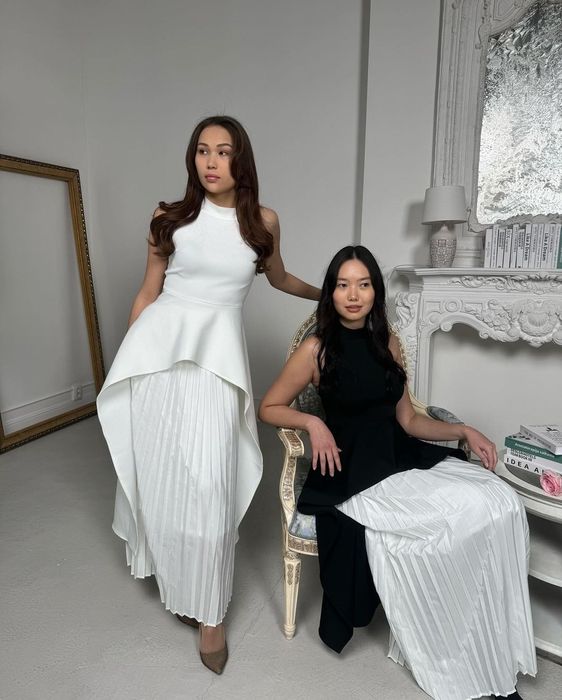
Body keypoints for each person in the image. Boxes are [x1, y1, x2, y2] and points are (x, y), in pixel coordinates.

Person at [258, 245, 536, 700]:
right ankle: (456, 655)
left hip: (397, 456)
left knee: (497, 499)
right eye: (343, 285)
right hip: (353, 475)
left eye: (363, 284)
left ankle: (488, 638)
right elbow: (269, 407)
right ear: (331, 293)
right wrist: (313, 423)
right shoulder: (315, 350)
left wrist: (462, 429)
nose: (353, 295)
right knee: (451, 522)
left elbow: (408, 420)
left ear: (375, 292)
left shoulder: (386, 343)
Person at [96, 115, 320, 675]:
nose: (211, 161)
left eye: (223, 151)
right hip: (159, 361)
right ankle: (181, 582)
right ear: (192, 158)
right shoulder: (168, 217)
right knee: (166, 478)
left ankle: (211, 613)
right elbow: (149, 292)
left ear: (241, 160)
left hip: (218, 365)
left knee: (210, 484)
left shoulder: (262, 222)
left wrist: (329, 293)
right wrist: (130, 360)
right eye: (202, 151)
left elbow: (279, 278)